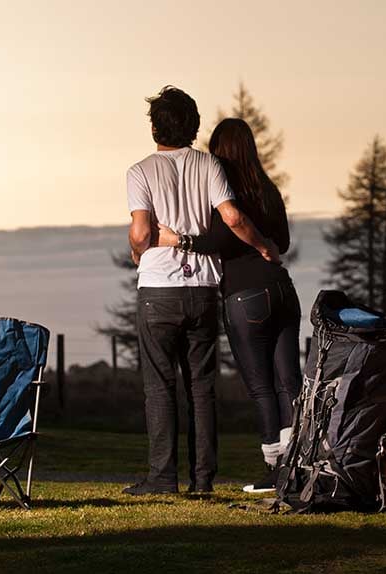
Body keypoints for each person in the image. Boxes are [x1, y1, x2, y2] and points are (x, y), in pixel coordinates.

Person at [124, 87, 278, 496]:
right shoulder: (209, 165)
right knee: (201, 386)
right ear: (193, 126)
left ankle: (161, 478)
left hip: (159, 288)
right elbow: (231, 216)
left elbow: (141, 231)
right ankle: (203, 479)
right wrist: (262, 245)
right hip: (205, 287)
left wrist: (138, 250)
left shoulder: (140, 171)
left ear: (155, 125)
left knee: (160, 386)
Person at [157, 118, 303, 493]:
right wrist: (264, 244)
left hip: (245, 297)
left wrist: (179, 240)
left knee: (261, 389)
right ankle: (299, 463)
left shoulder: (226, 193)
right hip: (284, 291)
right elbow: (282, 243)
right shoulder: (269, 189)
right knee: (289, 381)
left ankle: (275, 469)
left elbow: (221, 236)